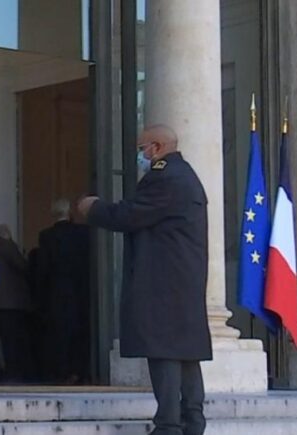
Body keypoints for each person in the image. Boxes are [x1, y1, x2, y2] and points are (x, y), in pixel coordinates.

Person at [77, 124, 211, 435]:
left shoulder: (166, 176)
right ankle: (192, 420)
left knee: (164, 349)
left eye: (142, 149)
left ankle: (168, 423)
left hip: (163, 280)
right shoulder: (186, 175)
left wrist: (93, 208)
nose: (141, 155)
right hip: (182, 278)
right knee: (186, 351)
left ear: (157, 147)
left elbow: (130, 215)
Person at [37, 198, 92, 384]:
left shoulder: (46, 236)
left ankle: (60, 372)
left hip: (57, 291)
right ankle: (79, 371)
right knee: (81, 331)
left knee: (59, 333)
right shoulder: (84, 233)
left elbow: (43, 268)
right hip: (83, 289)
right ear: (70, 213)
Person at [0, 225, 35, 384]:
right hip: (9, 303)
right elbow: (23, 266)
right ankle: (12, 374)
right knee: (10, 341)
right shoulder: (7, 246)